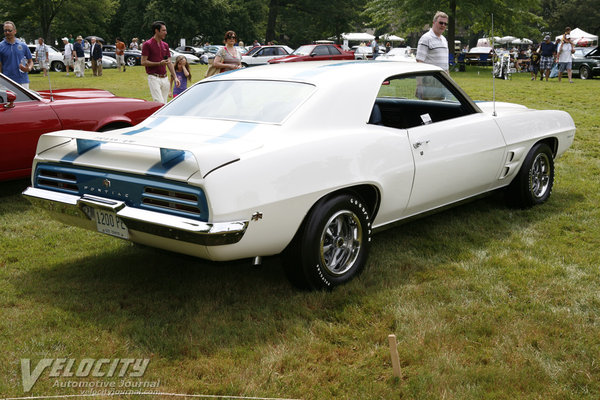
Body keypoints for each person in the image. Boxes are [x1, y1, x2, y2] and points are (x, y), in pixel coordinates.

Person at [141, 21, 179, 104]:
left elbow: (169, 62)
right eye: (163, 30)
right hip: (154, 78)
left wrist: (175, 77)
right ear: (156, 31)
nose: (166, 32)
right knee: (159, 103)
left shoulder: (165, 45)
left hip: (165, 79)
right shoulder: (147, 44)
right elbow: (143, 62)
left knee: (164, 104)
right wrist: (159, 63)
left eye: (165, 30)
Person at [0, 21, 34, 88]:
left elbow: (30, 61)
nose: (7, 32)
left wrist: (29, 68)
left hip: (23, 81)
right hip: (7, 81)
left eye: (9, 30)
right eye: (5, 30)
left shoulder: (23, 45)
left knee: (25, 99)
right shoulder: (1, 46)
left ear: (15, 31)